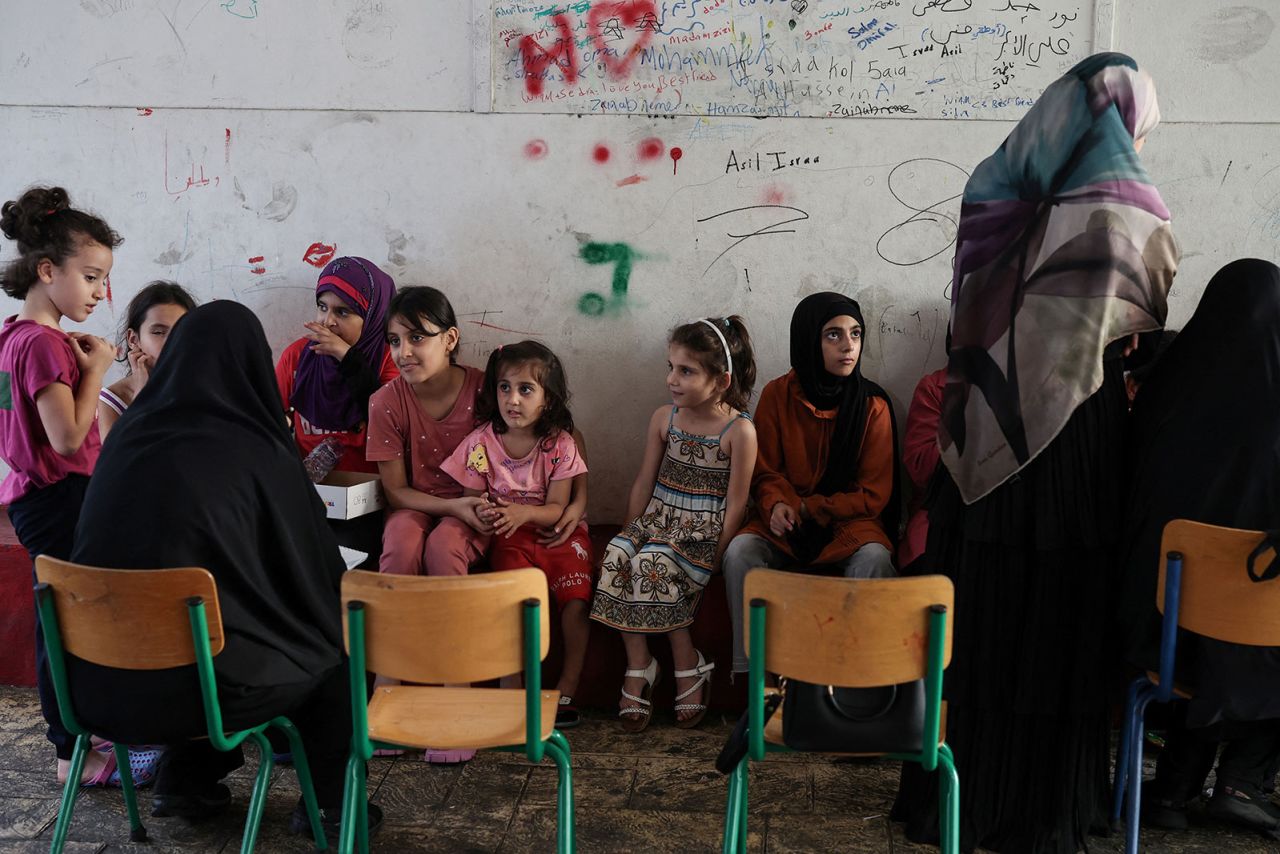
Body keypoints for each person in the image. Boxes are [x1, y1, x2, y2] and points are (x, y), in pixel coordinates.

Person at [892, 53, 1179, 853]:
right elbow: (1143, 313)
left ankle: (957, 799)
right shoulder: (1127, 209)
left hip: (980, 428)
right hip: (1077, 447)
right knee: (1055, 617)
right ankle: (1046, 805)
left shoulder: (994, 185)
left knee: (983, 619)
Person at [69, 301, 378, 838]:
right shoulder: (259, 451)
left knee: (214, 630)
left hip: (98, 687)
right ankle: (331, 806)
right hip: (206, 692)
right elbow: (319, 574)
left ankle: (183, 783)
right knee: (339, 640)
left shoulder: (123, 441)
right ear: (253, 367)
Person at [1115, 259, 1280, 837]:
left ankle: (1173, 791)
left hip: (1153, 634)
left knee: (1207, 630)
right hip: (1249, 646)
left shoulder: (1166, 390)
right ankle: (1243, 779)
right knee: (1245, 633)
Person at [0, 186, 123, 785]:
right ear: (47, 270)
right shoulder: (47, 346)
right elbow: (70, 439)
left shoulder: (11, 339)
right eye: (93, 277)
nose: (102, 293)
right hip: (59, 499)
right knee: (63, 625)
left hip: (31, 495)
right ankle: (70, 749)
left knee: (62, 618)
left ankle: (75, 734)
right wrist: (97, 369)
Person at [590, 317, 757, 731]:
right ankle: (639, 661)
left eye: (686, 371)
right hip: (658, 517)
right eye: (671, 367)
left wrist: (718, 553)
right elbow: (645, 479)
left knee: (658, 563)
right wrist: (630, 532)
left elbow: (737, 502)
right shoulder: (665, 418)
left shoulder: (740, 431)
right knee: (617, 556)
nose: (671, 379)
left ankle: (687, 660)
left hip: (700, 531)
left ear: (720, 381)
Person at [721, 293, 899, 678]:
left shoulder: (872, 407)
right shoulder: (777, 395)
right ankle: (754, 677)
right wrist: (777, 505)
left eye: (855, 333)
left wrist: (810, 508)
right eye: (832, 335)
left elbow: (873, 495)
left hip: (848, 524)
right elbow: (764, 471)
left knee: (874, 559)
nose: (848, 346)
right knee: (740, 552)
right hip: (786, 521)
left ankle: (861, 680)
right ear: (807, 341)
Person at [442, 341, 592, 728]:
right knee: (514, 601)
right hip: (509, 537)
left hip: (558, 533)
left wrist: (527, 512)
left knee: (576, 601)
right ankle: (517, 687)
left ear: (548, 398)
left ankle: (569, 685)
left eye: (526, 389)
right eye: (504, 387)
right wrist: (485, 511)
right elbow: (470, 498)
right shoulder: (481, 443)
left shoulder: (558, 443)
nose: (513, 399)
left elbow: (559, 507)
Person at [97, 280, 196, 439]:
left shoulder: (202, 386)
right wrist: (141, 396)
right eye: (158, 332)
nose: (172, 341)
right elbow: (119, 460)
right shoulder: (114, 398)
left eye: (181, 330)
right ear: (133, 339)